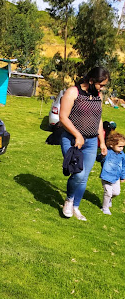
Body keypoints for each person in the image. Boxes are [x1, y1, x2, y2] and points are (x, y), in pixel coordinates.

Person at [59, 66, 110, 221]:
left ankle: (76, 207)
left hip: (91, 142)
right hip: (71, 139)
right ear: (91, 80)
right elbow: (63, 117)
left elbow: (98, 119)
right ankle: (69, 200)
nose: (102, 88)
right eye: (101, 84)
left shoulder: (98, 96)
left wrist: (102, 141)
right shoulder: (73, 92)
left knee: (84, 177)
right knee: (78, 172)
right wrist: (77, 135)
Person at [97, 131, 125, 215]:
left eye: (123, 146)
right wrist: (102, 155)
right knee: (108, 192)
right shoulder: (108, 152)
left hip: (116, 177)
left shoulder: (122, 155)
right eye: (119, 146)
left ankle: (109, 199)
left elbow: (123, 166)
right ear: (112, 145)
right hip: (106, 176)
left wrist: (122, 177)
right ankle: (105, 208)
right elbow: (99, 159)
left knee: (116, 192)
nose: (121, 148)